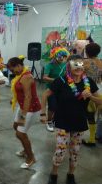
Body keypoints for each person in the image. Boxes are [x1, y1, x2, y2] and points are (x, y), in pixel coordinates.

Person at [41, 55, 102, 184]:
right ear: (68, 66)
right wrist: (42, 113)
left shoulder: (89, 82)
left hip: (79, 122)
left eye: (81, 64)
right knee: (60, 151)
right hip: (62, 121)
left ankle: (71, 174)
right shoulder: (61, 81)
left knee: (75, 151)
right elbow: (45, 94)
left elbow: (100, 100)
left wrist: (90, 96)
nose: (79, 67)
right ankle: (54, 174)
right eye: (75, 64)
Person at [7, 56, 41, 169]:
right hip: (23, 107)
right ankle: (26, 149)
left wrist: (23, 115)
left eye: (13, 69)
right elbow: (20, 92)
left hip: (30, 109)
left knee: (20, 133)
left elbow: (28, 97)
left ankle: (31, 158)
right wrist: (14, 99)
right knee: (16, 126)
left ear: (19, 65)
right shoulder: (20, 75)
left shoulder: (26, 77)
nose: (13, 72)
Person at [43, 47, 69, 132]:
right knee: (52, 106)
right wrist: (57, 80)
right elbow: (45, 77)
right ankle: (49, 121)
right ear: (54, 56)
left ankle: (55, 120)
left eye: (64, 56)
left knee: (60, 106)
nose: (62, 58)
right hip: (51, 89)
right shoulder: (49, 65)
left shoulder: (65, 64)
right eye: (60, 56)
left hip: (62, 89)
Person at [82, 43, 102, 146]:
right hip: (99, 90)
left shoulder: (85, 62)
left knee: (87, 114)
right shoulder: (101, 62)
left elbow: (72, 70)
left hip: (87, 89)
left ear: (87, 51)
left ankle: (91, 139)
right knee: (98, 115)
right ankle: (95, 136)